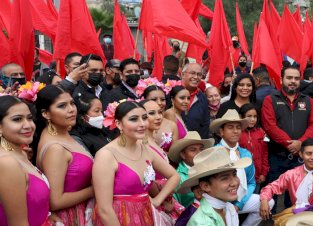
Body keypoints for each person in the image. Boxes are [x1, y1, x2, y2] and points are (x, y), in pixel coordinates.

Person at [92, 101, 180, 225]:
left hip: (146, 215)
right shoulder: (106, 155)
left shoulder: (145, 148)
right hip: (118, 219)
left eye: (144, 118)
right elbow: (104, 210)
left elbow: (174, 176)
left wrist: (157, 200)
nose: (142, 124)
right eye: (134, 119)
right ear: (118, 124)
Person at [261, 66, 313, 209]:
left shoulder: (308, 101)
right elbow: (269, 126)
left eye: (296, 78)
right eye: (289, 78)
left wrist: (301, 143)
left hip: (299, 157)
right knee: (272, 194)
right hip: (276, 155)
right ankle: (271, 221)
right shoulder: (270, 99)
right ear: (281, 79)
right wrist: (289, 144)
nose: (293, 81)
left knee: (296, 196)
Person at [35, 85, 94, 225]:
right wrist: (95, 189)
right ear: (46, 114)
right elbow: (56, 201)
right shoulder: (55, 148)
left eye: (72, 103)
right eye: (62, 106)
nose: (71, 109)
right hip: (70, 217)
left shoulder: (63, 134)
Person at [211, 109, 271, 226]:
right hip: (221, 200)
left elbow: (251, 183)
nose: (235, 131)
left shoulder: (245, 153)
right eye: (230, 127)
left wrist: (239, 204)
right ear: (221, 131)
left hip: (240, 199)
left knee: (269, 202)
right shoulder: (214, 153)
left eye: (238, 127)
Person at [0, 96, 52, 226]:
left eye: (29, 118)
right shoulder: (7, 163)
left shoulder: (21, 153)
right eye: (17, 119)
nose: (28, 125)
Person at [260, 138, 313, 226]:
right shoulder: (292, 174)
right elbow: (271, 187)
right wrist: (264, 200)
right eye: (308, 154)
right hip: (295, 213)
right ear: (301, 154)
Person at [178, 146, 252, 226]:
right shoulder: (202, 222)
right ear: (205, 186)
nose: (234, 183)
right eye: (224, 178)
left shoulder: (228, 208)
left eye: (234, 174)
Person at [169, 131, 214, 207]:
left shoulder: (210, 169)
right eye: (193, 150)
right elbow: (176, 207)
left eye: (201, 149)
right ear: (183, 155)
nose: (199, 153)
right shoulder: (177, 178)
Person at [239, 103, 269, 192]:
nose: (252, 119)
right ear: (241, 117)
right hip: (242, 176)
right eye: (249, 116)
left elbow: (265, 153)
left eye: (255, 116)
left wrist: (263, 173)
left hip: (257, 176)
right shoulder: (237, 133)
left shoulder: (261, 132)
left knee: (254, 200)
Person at [143, 85, 179, 152]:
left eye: (162, 99)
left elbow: (174, 154)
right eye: (154, 99)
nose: (159, 103)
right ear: (144, 100)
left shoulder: (172, 125)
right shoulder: (140, 125)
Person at [181, 63, 210, 139]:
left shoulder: (202, 98)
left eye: (199, 74)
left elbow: (205, 124)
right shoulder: (171, 92)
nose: (196, 77)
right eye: (192, 73)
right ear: (183, 74)